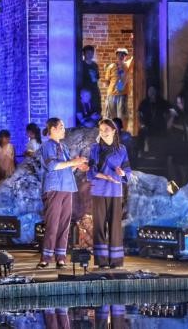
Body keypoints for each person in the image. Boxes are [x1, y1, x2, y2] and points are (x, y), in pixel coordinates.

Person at [37, 118, 87, 268]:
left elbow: (66, 169)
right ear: (52, 129)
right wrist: (73, 162)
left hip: (67, 187)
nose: (64, 130)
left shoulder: (63, 146)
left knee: (65, 224)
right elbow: (53, 166)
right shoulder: (47, 146)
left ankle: (61, 257)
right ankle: (46, 257)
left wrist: (77, 165)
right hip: (54, 188)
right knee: (52, 223)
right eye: (61, 127)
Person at [87, 118, 131, 269]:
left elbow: (128, 171)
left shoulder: (122, 149)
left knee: (115, 226)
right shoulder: (95, 148)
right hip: (99, 191)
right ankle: (101, 260)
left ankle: (116, 260)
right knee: (99, 226)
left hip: (115, 191)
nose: (103, 132)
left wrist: (122, 173)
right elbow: (91, 171)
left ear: (113, 131)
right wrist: (106, 176)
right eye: (101, 130)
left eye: (106, 129)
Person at [137, 85, 169, 154]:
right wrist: (142, 124)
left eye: (153, 91)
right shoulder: (144, 103)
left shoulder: (162, 102)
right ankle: (142, 152)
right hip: (147, 125)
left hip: (159, 125)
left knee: (163, 132)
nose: (151, 92)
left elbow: (170, 110)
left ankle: (161, 152)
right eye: (150, 91)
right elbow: (139, 114)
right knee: (141, 132)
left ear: (156, 92)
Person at [104, 48, 133, 125]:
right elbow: (107, 81)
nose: (121, 56)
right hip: (112, 95)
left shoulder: (127, 65)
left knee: (122, 117)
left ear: (126, 56)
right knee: (111, 117)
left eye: (123, 55)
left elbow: (134, 56)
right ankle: (113, 131)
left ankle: (122, 131)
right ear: (116, 56)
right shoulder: (111, 66)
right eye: (119, 55)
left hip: (122, 95)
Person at [80, 44, 102, 114]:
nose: (90, 54)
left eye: (91, 52)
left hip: (94, 90)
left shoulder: (95, 65)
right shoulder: (81, 64)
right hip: (85, 91)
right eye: (88, 53)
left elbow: (97, 78)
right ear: (84, 54)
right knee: (87, 110)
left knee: (96, 108)